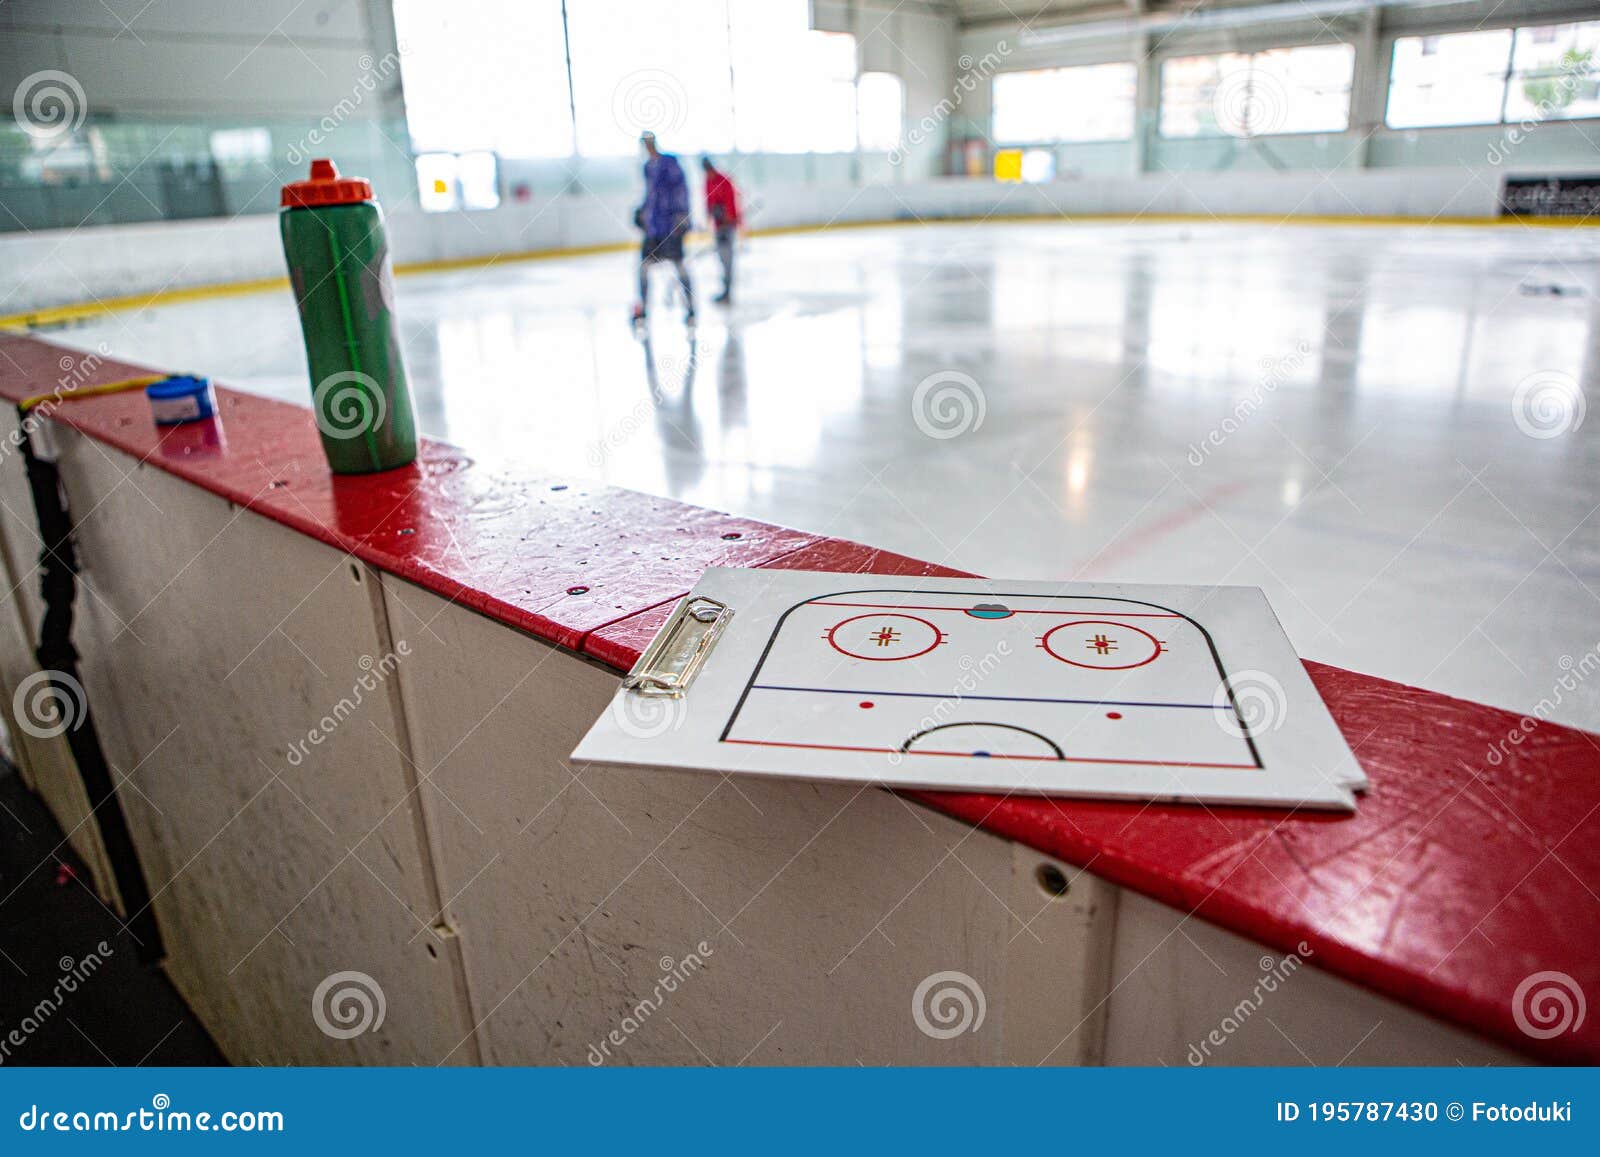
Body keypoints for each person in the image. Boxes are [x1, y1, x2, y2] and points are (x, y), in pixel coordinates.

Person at [633, 132, 694, 328]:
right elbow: (650, 195)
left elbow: (681, 190)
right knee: (643, 268)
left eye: (649, 143)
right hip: (653, 229)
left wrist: (682, 216)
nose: (647, 147)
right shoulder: (647, 167)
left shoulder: (670, 163)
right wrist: (643, 212)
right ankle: (643, 308)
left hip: (671, 226)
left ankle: (691, 309)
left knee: (679, 267)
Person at [701, 155, 741, 304]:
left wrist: (728, 218)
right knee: (721, 259)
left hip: (728, 226)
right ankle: (725, 290)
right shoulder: (707, 181)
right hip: (718, 227)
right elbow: (708, 201)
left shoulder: (724, 179)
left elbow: (731, 200)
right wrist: (710, 217)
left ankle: (728, 291)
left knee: (727, 259)